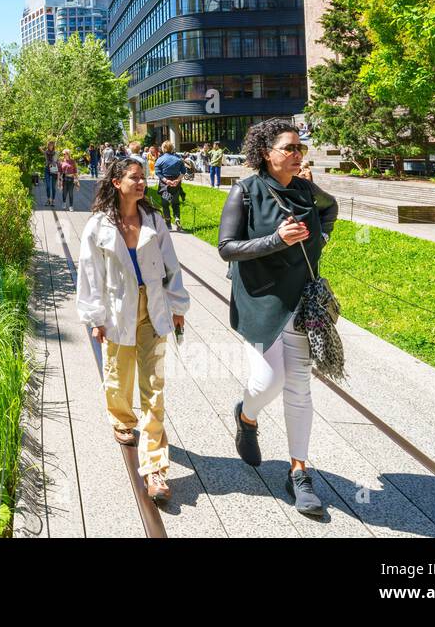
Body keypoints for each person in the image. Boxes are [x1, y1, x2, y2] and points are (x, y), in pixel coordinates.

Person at [218, 120, 339, 517]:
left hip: (301, 298)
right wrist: (276, 240)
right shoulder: (245, 191)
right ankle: (246, 416)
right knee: (270, 380)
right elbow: (227, 247)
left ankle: (299, 472)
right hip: (260, 299)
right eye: (289, 148)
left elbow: (331, 208)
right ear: (265, 153)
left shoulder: (306, 190)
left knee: (299, 385)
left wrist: (321, 238)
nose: (297, 154)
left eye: (299, 148)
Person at [76, 156, 190, 503]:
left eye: (143, 178)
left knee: (154, 386)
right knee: (118, 374)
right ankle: (122, 418)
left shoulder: (154, 220)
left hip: (153, 308)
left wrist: (177, 307)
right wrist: (95, 318)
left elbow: (171, 266)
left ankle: (155, 467)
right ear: (116, 183)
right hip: (117, 311)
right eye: (134, 178)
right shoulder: (98, 226)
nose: (141, 183)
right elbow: (90, 275)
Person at [155, 140, 187, 231]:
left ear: (163, 148)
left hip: (165, 185)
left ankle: (168, 223)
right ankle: (177, 218)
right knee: (175, 203)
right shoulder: (178, 159)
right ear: (172, 148)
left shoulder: (160, 159)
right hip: (176, 185)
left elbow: (158, 172)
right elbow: (183, 171)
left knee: (165, 204)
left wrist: (166, 180)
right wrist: (177, 180)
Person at [42, 139, 58, 206]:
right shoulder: (46, 152)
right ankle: (48, 200)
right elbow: (42, 150)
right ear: (48, 146)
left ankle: (53, 200)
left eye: (52, 145)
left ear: (53, 146)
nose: (50, 146)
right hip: (47, 169)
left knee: (53, 187)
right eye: (49, 145)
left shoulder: (56, 153)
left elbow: (56, 161)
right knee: (48, 186)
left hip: (53, 169)